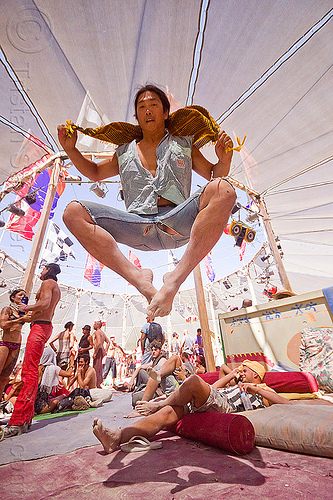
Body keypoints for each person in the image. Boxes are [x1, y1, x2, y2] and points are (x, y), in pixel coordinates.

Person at [58, 84, 236, 319]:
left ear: (165, 113)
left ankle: (174, 279)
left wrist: (224, 159)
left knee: (224, 190)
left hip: (177, 222)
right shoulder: (124, 151)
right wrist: (71, 150)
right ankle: (139, 279)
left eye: (154, 105)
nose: (148, 110)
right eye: (142, 107)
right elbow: (95, 173)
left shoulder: (185, 144)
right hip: (136, 225)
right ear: (137, 116)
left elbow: (215, 177)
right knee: (72, 212)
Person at [92, 360, 291, 453]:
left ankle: (158, 403)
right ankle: (117, 437)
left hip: (226, 408)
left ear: (256, 375)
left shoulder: (263, 389)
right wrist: (233, 375)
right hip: (211, 399)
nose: (242, 373)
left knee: (194, 381)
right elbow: (213, 387)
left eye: (245, 370)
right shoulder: (237, 383)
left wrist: (256, 390)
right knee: (168, 413)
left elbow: (286, 403)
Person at [3, 262, 61, 437]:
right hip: (43, 326)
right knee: (31, 371)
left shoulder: (47, 283)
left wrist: (26, 308)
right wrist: (28, 317)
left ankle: (18, 420)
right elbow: (45, 308)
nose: (40, 271)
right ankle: (26, 418)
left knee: (29, 372)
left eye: (43, 268)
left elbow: (44, 304)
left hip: (40, 328)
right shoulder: (55, 286)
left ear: (48, 270)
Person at [0, 289, 31, 399]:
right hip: (5, 344)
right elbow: (3, 324)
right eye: (20, 295)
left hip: (16, 344)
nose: (23, 296)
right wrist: (20, 320)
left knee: (5, 377)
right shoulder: (7, 309)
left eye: (25, 295)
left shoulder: (22, 311)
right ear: (13, 297)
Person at [92, 320, 110, 388]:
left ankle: (96, 383)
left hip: (99, 350)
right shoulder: (102, 333)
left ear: (98, 325)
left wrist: (95, 352)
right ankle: (98, 383)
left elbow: (99, 343)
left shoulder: (97, 332)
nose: (94, 325)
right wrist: (105, 350)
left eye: (95, 324)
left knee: (96, 367)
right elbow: (108, 342)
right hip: (101, 350)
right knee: (99, 367)